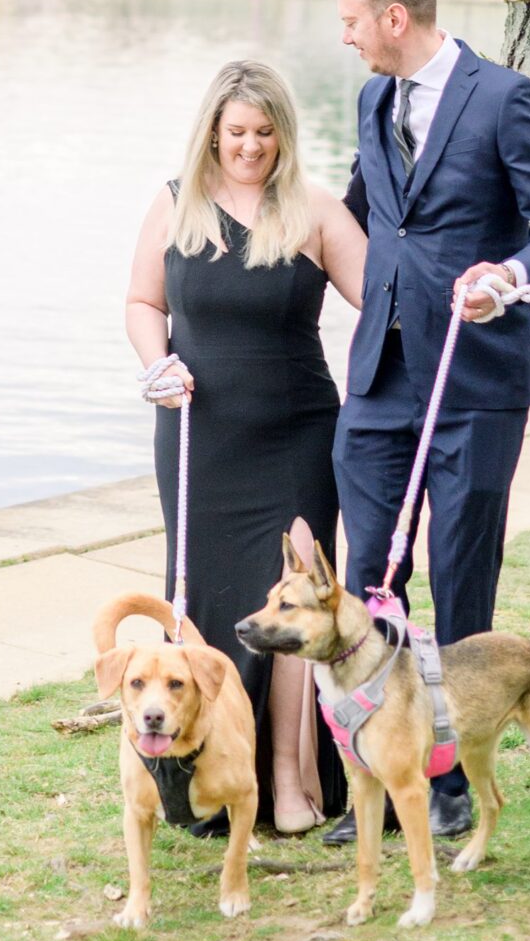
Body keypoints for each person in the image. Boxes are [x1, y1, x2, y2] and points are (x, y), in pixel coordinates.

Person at [325, 0, 530, 846]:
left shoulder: (505, 97)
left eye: (352, 21)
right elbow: (360, 219)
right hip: (377, 379)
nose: (346, 38)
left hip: (473, 383)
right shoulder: (370, 100)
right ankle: (375, 776)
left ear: (395, 17)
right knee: (368, 579)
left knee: (460, 574)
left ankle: (449, 785)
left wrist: (505, 281)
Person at [126, 58, 367, 834]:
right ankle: (199, 776)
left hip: (297, 433)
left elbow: (384, 298)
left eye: (264, 132)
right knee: (203, 596)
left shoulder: (315, 211)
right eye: (235, 132)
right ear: (212, 132)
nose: (249, 146)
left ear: (282, 135)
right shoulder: (174, 205)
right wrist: (154, 363)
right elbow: (140, 302)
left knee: (295, 603)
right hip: (200, 437)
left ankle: (290, 783)